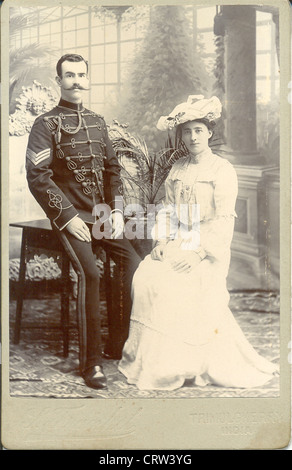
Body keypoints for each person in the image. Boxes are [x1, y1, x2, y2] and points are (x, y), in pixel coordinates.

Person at [118, 95, 279, 391]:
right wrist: (163, 241)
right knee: (147, 275)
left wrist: (201, 253)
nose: (193, 137)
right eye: (187, 131)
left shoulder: (222, 170)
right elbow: (167, 208)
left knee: (178, 282)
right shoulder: (178, 168)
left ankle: (184, 364)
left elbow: (224, 220)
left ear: (210, 134)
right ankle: (154, 364)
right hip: (180, 238)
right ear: (181, 135)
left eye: (199, 131)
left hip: (209, 248)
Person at [26, 53, 141, 389]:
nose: (76, 80)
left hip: (103, 215)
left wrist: (117, 210)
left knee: (132, 262)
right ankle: (91, 364)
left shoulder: (98, 121)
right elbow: (38, 176)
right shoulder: (45, 125)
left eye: (81, 75)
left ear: (88, 79)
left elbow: (113, 170)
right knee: (90, 274)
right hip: (71, 219)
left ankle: (116, 344)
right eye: (69, 75)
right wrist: (66, 218)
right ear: (58, 81)